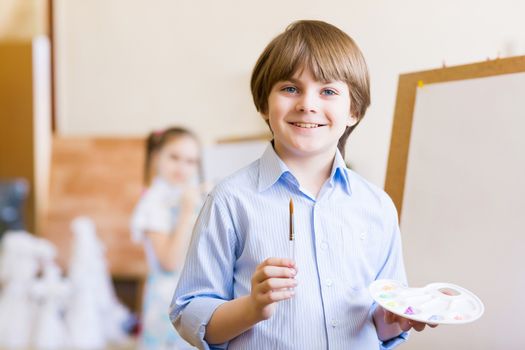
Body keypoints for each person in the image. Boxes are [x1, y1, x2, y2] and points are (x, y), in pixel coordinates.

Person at [170, 20, 435, 350]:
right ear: (264, 103)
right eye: (290, 88)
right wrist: (252, 307)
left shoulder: (376, 206)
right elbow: (190, 313)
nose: (308, 104)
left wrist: (394, 317)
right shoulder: (230, 200)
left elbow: (379, 324)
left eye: (328, 91)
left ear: (353, 109)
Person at [131, 127, 203, 350]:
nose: (182, 167)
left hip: (194, 292)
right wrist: (186, 212)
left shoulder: (186, 195)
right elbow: (169, 262)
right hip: (167, 298)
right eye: (174, 157)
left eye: (191, 161)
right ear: (156, 157)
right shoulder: (154, 203)